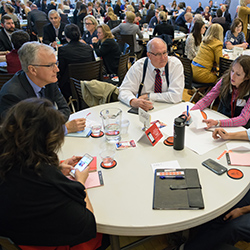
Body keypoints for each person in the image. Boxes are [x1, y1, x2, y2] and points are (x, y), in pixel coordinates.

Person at [0, 98, 105, 249]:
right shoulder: (46, 183)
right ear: (48, 141)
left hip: (15, 234)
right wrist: (80, 183)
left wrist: (56, 166)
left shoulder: (9, 160)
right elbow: (87, 224)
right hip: (48, 242)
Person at [0, 42, 86, 134]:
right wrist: (63, 129)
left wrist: (48, 126)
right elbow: (22, 134)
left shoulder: (49, 81)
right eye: (50, 65)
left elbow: (64, 109)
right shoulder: (12, 95)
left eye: (56, 63)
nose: (57, 69)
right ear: (33, 70)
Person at [118, 38, 184, 111]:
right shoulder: (139, 66)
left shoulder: (175, 65)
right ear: (149, 55)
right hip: (145, 109)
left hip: (168, 108)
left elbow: (176, 96)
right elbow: (123, 90)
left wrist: (149, 96)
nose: (163, 58)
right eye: (158, 54)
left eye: (165, 53)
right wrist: (132, 101)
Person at [188, 55, 250, 129]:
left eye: (238, 74)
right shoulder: (225, 80)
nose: (232, 77)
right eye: (232, 71)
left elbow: (243, 119)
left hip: (239, 128)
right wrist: (191, 111)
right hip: (221, 120)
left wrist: (218, 122)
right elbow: (207, 99)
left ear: (247, 77)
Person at [58, 24, 95, 101]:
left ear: (66, 36)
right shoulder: (88, 47)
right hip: (89, 82)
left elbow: (61, 70)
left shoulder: (62, 50)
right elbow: (93, 64)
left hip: (70, 86)